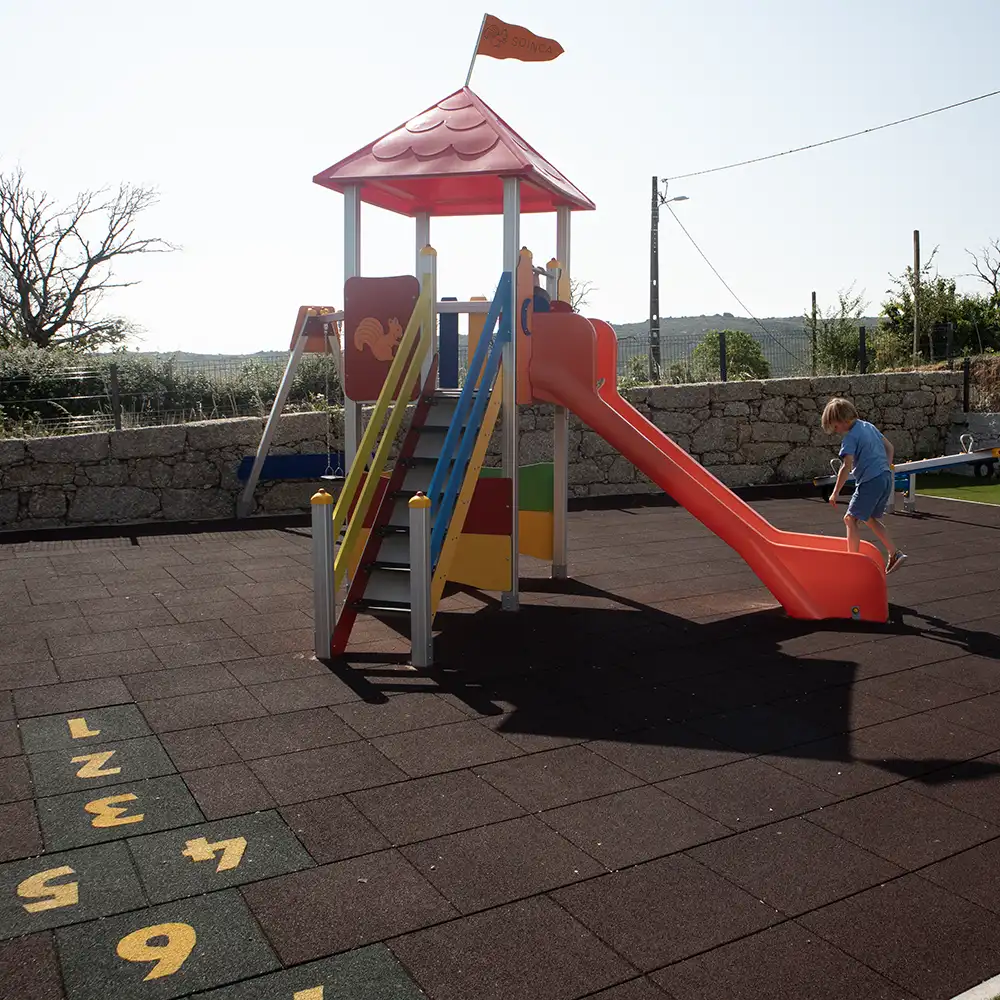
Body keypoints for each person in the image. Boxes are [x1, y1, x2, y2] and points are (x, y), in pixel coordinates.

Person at [821, 397, 907, 574]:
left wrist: (835, 492)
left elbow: (846, 467)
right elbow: (889, 447)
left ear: (843, 421)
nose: (837, 432)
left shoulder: (850, 438)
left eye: (836, 427)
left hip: (870, 481)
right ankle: (894, 553)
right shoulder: (869, 426)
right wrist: (886, 467)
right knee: (868, 518)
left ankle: (852, 562)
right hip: (884, 478)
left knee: (850, 519)